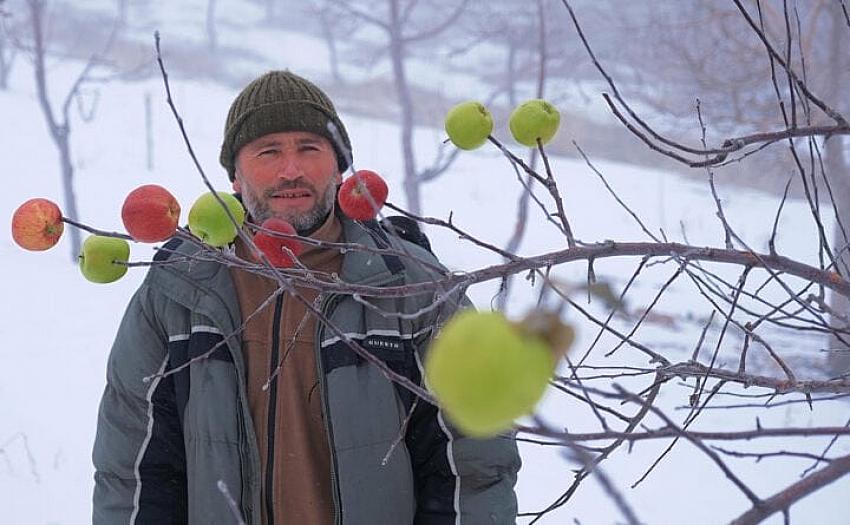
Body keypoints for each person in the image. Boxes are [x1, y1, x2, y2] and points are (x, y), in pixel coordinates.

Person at [92, 70, 520, 524]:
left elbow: (474, 466)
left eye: (309, 149)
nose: (290, 170)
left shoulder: (410, 287)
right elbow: (134, 470)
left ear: (339, 168)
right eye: (268, 151)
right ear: (235, 177)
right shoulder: (180, 289)